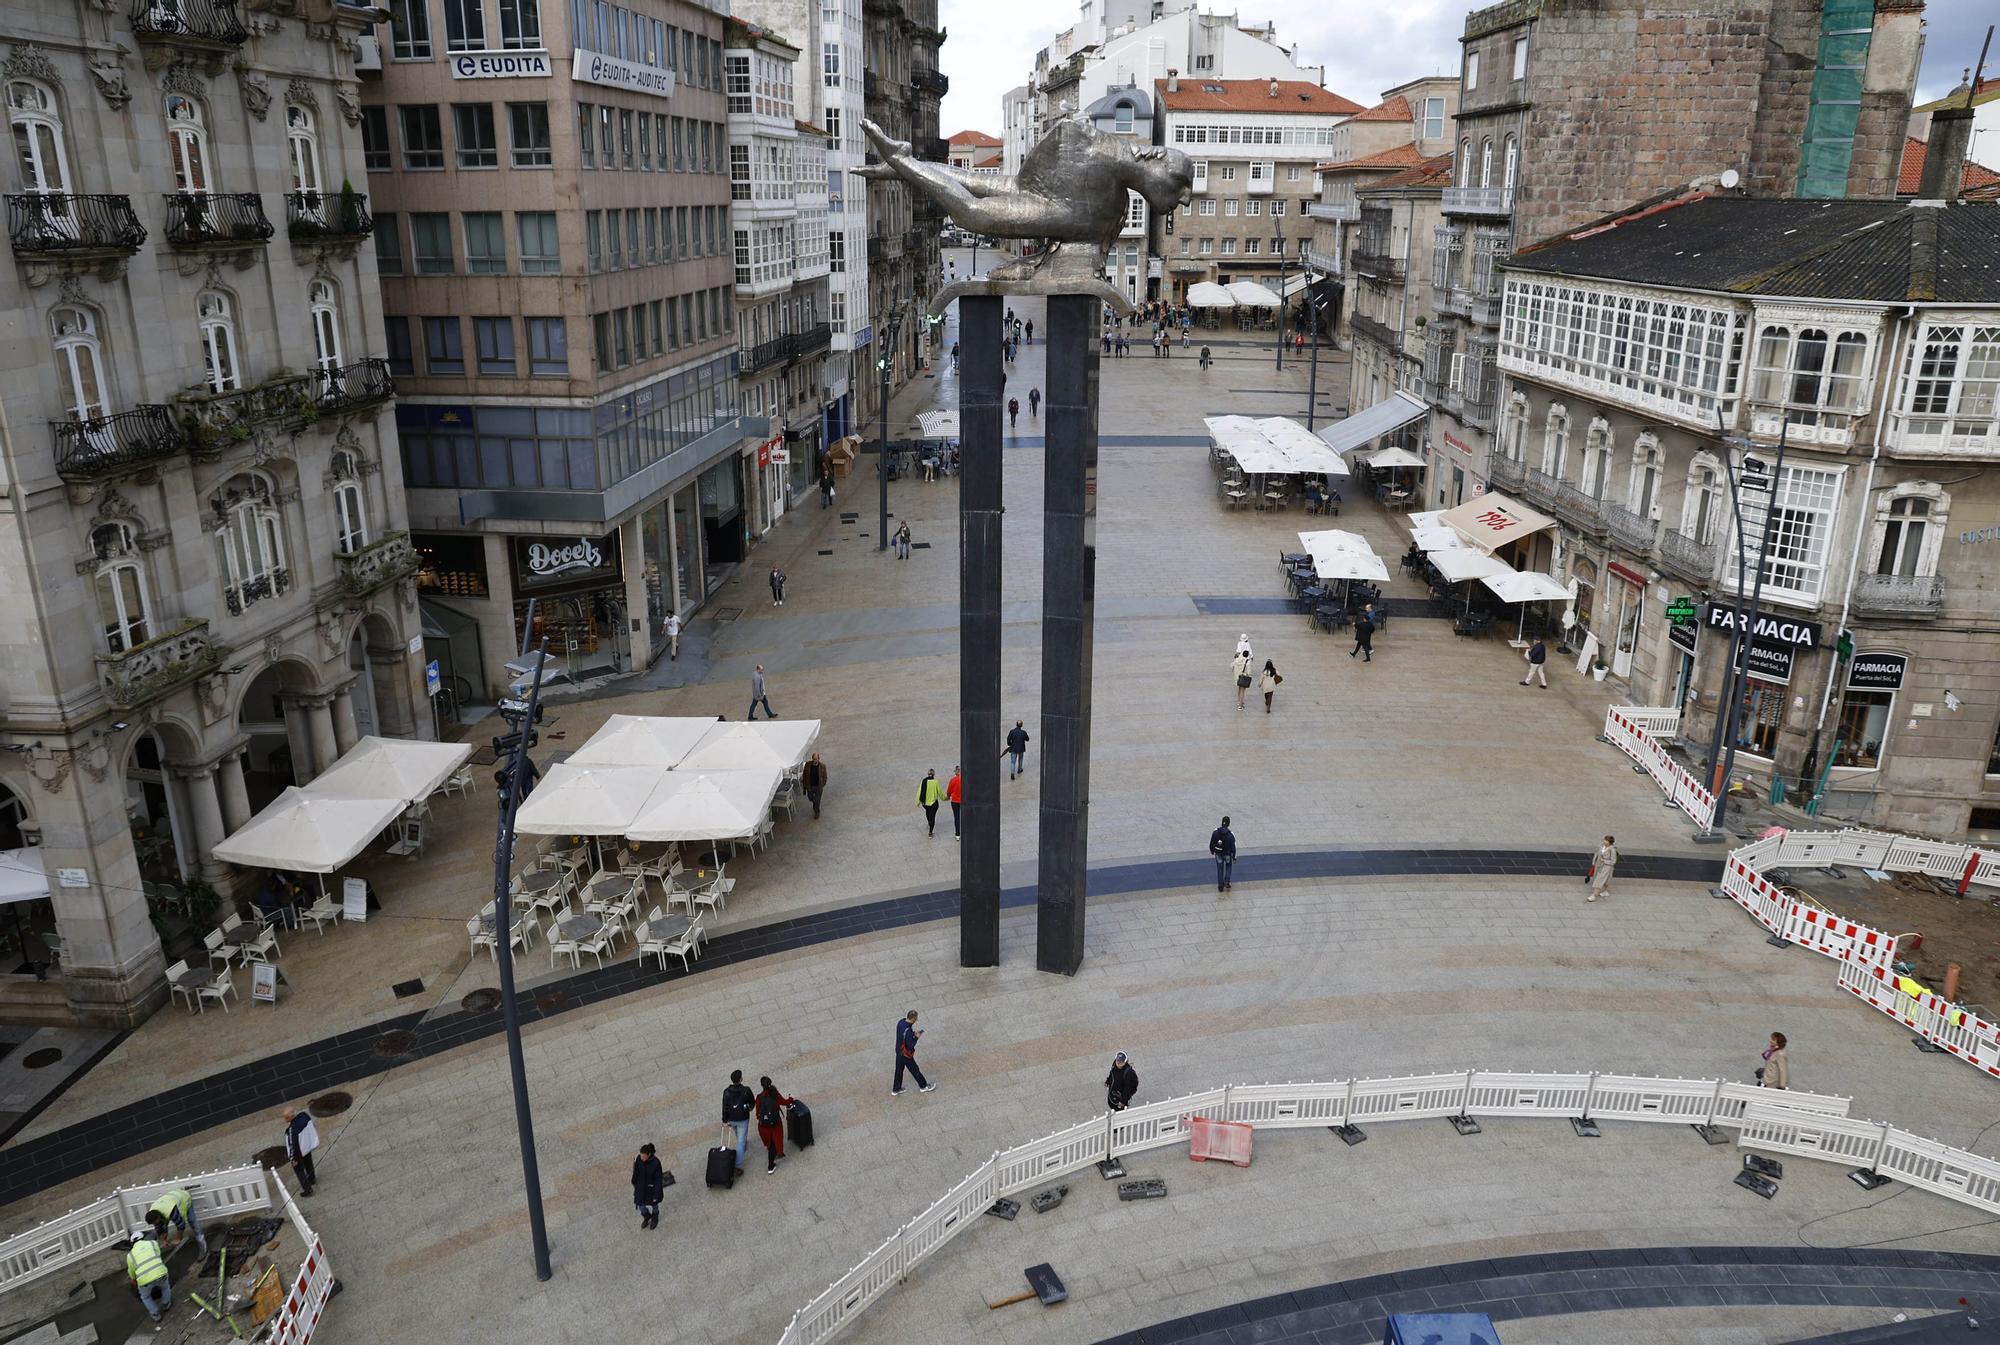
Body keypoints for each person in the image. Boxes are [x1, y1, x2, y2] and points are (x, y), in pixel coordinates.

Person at [145, 1188, 205, 1260]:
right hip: (172, 1198)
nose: (155, 1224)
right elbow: (159, 1228)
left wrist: (178, 1238)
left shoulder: (170, 1210)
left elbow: (181, 1225)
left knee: (193, 1223)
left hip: (185, 1198)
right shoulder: (153, 1213)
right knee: (162, 1225)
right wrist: (163, 1240)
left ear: (158, 1217)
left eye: (155, 1222)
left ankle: (203, 1248)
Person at [126, 1231, 173, 1322]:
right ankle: (166, 1304)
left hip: (144, 1281)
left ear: (132, 1243)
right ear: (143, 1238)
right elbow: (158, 1254)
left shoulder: (130, 1255)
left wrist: (133, 1279)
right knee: (165, 1287)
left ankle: (155, 1314)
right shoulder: (153, 1243)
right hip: (160, 1273)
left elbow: (131, 1271)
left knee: (145, 1297)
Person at [753, 1076, 796, 1173]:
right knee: (776, 1140)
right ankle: (772, 1163)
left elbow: (757, 1113)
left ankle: (772, 1153)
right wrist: (791, 1098)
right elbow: (785, 1102)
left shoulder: (759, 1097)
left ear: (762, 1086)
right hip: (775, 1123)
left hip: (763, 1125)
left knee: (770, 1143)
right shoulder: (775, 1094)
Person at [892, 1009, 936, 1095]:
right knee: (915, 1069)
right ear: (912, 1019)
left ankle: (896, 1089)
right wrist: (916, 1037)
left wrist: (912, 1034)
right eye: (916, 1018)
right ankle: (923, 1086)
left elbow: (903, 1036)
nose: (916, 1020)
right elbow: (910, 1045)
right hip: (905, 1054)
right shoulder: (908, 1030)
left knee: (899, 1070)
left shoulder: (901, 1022)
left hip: (899, 1051)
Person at [721, 1070, 755, 1176]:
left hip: (731, 1118)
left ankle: (743, 1146)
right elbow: (752, 1102)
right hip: (742, 1118)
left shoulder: (726, 1092)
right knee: (740, 1141)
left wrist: (724, 1120)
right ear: (740, 1079)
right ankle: (738, 1166)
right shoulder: (746, 1090)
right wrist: (750, 1108)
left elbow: (725, 1107)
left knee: (738, 1134)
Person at [283, 1105, 319, 1197]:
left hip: (299, 1152)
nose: (284, 1119)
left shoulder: (292, 1130)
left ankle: (307, 1189)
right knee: (308, 1162)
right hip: (308, 1145)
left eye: (285, 1117)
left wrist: (293, 1158)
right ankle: (312, 1179)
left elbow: (293, 1145)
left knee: (299, 1170)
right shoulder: (304, 1115)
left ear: (290, 1117)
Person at [632, 1142, 665, 1228]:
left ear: (649, 1154)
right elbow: (636, 1171)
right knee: (640, 1205)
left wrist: (656, 1194)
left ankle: (655, 1217)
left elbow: (658, 1179)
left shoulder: (656, 1163)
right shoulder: (639, 1159)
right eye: (641, 1155)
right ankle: (647, 1216)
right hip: (640, 1186)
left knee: (654, 1204)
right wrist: (634, 1180)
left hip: (651, 1188)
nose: (641, 1157)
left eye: (643, 1156)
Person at [1209, 816, 1237, 893]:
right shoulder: (1230, 834)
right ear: (1229, 824)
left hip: (1218, 853)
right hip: (1227, 854)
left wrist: (1212, 850)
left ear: (1222, 822)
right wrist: (1234, 856)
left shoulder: (1215, 832)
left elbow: (1212, 842)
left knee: (1219, 868)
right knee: (1228, 866)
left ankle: (1220, 885)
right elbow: (1233, 846)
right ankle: (1227, 882)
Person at [1587, 834, 1619, 902]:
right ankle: (1607, 891)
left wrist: (1604, 861)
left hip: (1607, 867)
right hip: (1598, 865)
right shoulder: (1601, 846)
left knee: (1599, 879)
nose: (1604, 841)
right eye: (1605, 839)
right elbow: (1596, 854)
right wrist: (1593, 862)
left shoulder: (1612, 850)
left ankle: (1594, 895)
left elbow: (1613, 861)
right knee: (1605, 880)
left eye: (1606, 840)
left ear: (1610, 842)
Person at [802, 752, 828, 819]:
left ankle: (817, 813)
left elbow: (825, 777)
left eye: (816, 759)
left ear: (819, 759)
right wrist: (804, 785)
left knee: (817, 800)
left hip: (818, 787)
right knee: (810, 798)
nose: (814, 760)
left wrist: (822, 784)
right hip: (810, 786)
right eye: (813, 759)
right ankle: (815, 804)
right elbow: (804, 775)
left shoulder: (822, 766)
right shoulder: (807, 765)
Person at [917, 769, 942, 836]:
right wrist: (944, 798)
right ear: (934, 774)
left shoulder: (923, 781)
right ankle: (930, 832)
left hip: (925, 803)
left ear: (928, 774)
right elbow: (940, 792)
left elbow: (919, 791)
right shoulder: (936, 782)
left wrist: (917, 802)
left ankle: (929, 821)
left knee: (928, 812)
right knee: (932, 816)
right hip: (934, 803)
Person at [946, 766, 963, 840]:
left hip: (955, 801)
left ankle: (957, 835)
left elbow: (949, 790)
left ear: (956, 772)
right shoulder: (965, 779)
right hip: (963, 801)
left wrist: (948, 796)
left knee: (956, 817)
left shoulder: (952, 780)